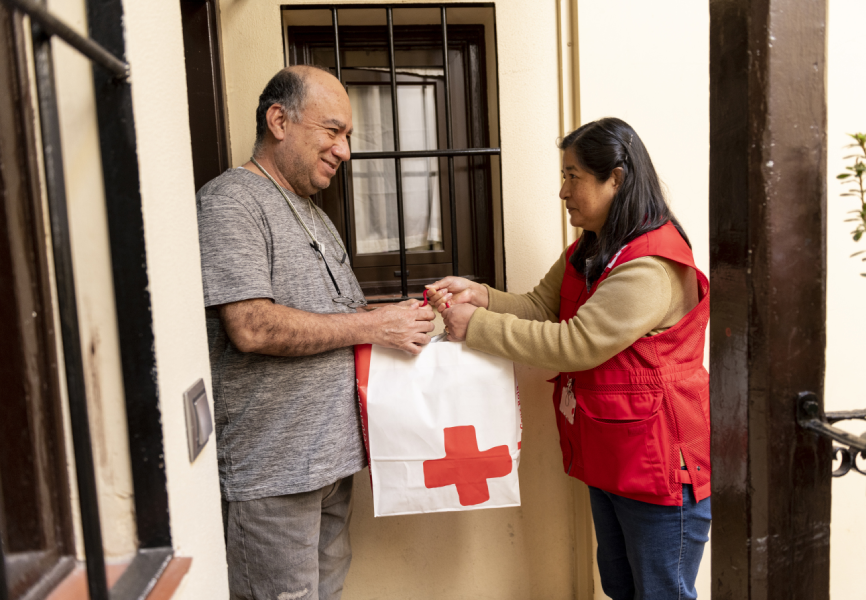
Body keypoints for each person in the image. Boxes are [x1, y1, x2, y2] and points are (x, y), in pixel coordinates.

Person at [427, 117, 711, 600]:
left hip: (658, 463)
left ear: (616, 179)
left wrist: (475, 327)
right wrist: (482, 297)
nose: (563, 191)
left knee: (662, 593)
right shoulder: (592, 247)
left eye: (573, 176)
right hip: (613, 452)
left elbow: (575, 343)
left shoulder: (650, 265)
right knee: (621, 587)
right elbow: (541, 306)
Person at [196, 65, 435, 600]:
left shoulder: (312, 213)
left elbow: (337, 314)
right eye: (332, 131)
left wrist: (401, 312)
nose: (344, 151)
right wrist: (376, 324)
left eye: (346, 136)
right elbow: (252, 326)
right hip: (273, 473)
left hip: (330, 463)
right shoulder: (231, 202)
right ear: (278, 120)